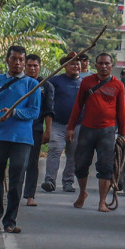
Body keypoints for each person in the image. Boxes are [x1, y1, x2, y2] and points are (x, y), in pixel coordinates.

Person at [0, 46, 41, 233]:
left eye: (21, 60)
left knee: (16, 179)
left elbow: (34, 112)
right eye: (14, 59)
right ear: (7, 60)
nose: (18, 63)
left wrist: (15, 112)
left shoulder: (32, 85)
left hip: (22, 139)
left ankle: (10, 221)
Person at [67, 52, 125, 212]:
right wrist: (71, 127)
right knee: (81, 164)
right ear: (95, 65)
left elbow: (121, 111)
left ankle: (102, 202)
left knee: (106, 167)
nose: (104, 66)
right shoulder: (87, 82)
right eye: (100, 63)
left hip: (107, 131)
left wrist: (122, 133)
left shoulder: (118, 85)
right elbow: (77, 106)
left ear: (111, 65)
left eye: (107, 63)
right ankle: (82, 193)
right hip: (87, 129)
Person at [43, 52, 82, 193]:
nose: (76, 66)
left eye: (78, 63)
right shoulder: (55, 81)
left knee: (73, 154)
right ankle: (50, 180)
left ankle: (68, 182)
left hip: (77, 125)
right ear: (65, 66)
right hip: (57, 124)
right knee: (55, 150)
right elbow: (46, 99)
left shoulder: (84, 83)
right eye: (72, 63)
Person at [22, 54, 55, 206]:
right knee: (17, 162)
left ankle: (30, 195)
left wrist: (48, 130)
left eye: (35, 66)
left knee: (32, 162)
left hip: (35, 129)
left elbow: (49, 110)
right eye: (29, 65)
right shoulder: (17, 82)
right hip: (16, 128)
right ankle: (14, 192)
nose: (32, 68)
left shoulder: (46, 86)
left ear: (39, 67)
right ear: (24, 66)